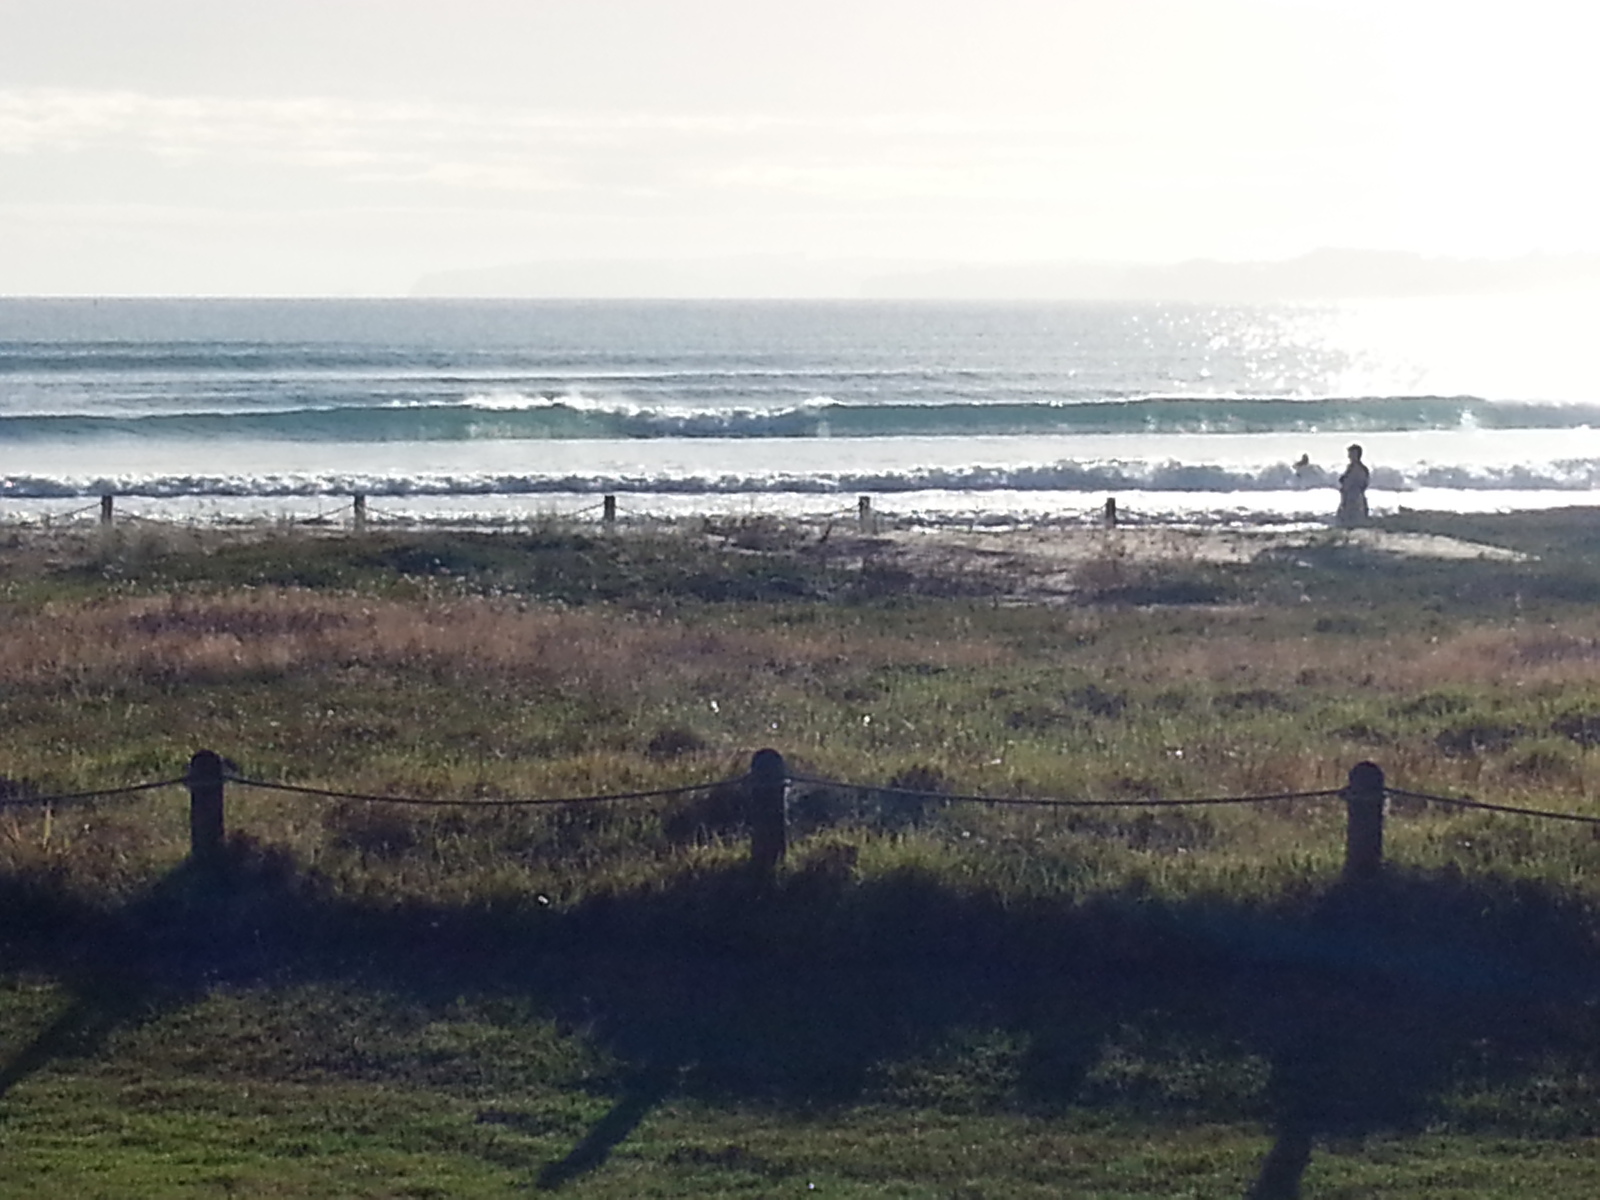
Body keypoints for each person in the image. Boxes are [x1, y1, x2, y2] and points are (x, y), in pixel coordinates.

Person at [1336, 444, 1369, 526]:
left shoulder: (1360, 469)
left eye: (1351, 454)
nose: (1349, 456)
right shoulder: (1351, 467)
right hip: (1349, 499)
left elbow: (1361, 484)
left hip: (1355, 500)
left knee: (1353, 523)